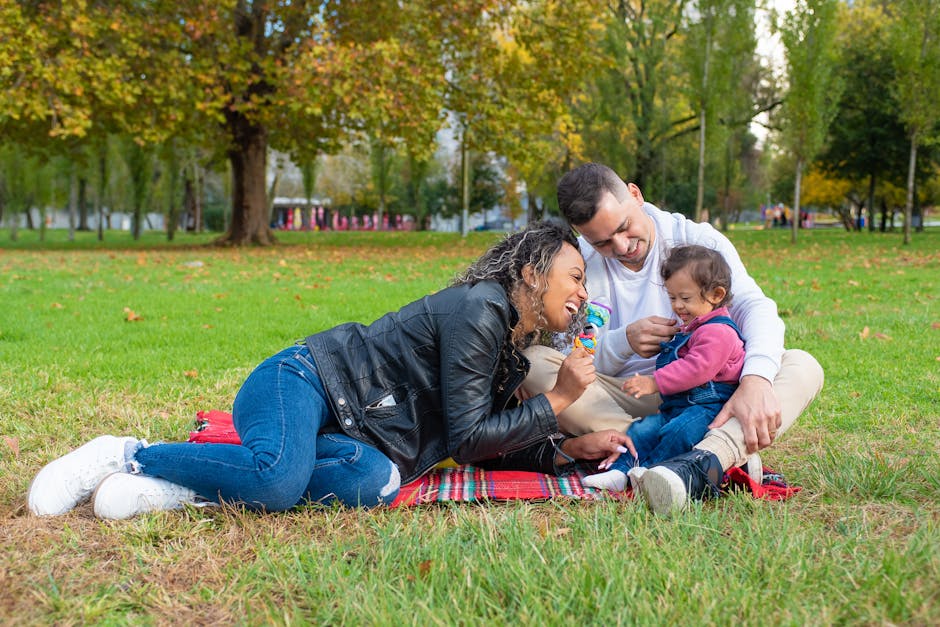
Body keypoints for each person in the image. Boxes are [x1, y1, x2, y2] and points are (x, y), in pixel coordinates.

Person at [28, 221, 634, 520]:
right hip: (306, 380)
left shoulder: (511, 345)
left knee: (376, 486)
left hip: (355, 437)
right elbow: (468, 436)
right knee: (276, 481)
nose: (582, 293)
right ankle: (125, 454)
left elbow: (481, 443)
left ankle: (193, 488)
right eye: (575, 277)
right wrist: (555, 401)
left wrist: (564, 449)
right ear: (531, 273)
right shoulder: (481, 309)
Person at [521, 163, 824, 516]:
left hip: (706, 397)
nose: (621, 246)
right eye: (602, 241)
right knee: (533, 363)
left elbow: (754, 308)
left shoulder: (698, 240)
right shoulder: (577, 264)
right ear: (581, 235)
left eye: (623, 227)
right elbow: (564, 351)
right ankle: (702, 458)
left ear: (635, 195)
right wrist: (622, 343)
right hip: (624, 396)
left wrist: (755, 380)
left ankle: (699, 456)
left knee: (803, 366)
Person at [583, 244, 745, 492]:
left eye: (685, 298)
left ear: (716, 294)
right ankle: (619, 471)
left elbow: (697, 369)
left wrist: (653, 382)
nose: (678, 306)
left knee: (678, 433)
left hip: (708, 408)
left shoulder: (718, 332)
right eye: (672, 298)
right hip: (677, 406)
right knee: (642, 429)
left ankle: (650, 472)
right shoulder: (693, 328)